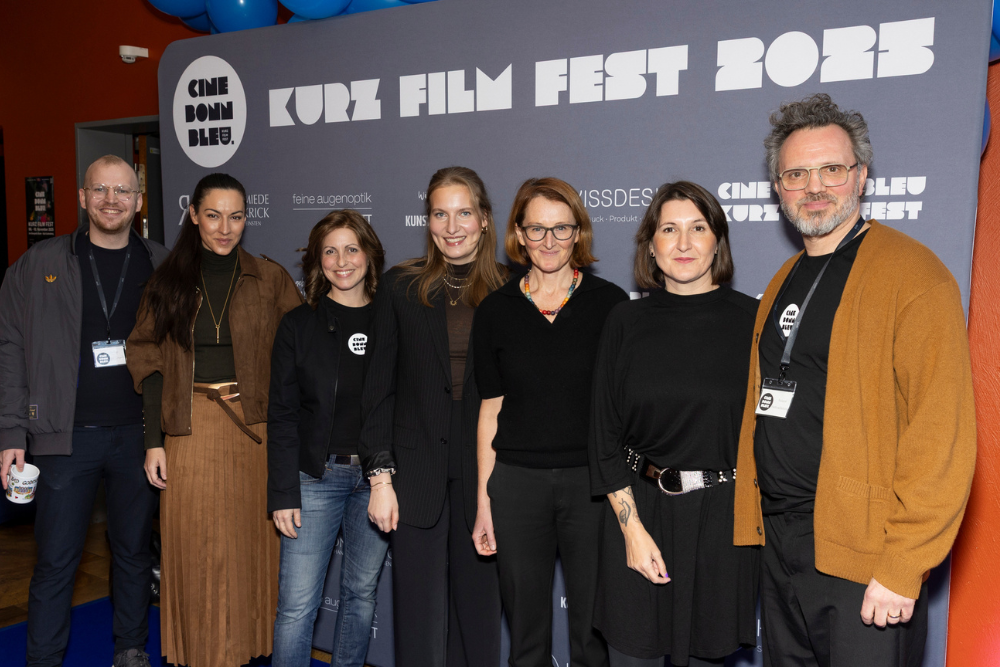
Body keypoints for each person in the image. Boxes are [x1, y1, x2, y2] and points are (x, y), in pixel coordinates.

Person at [732, 93, 977, 666]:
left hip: (863, 557)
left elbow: (941, 435)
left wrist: (902, 566)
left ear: (861, 176)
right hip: (783, 543)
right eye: (796, 173)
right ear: (778, 187)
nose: (814, 186)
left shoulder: (913, 275)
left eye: (831, 169)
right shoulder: (783, 278)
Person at [126, 173, 302, 667]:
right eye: (213, 215)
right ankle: (199, 655)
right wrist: (153, 440)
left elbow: (302, 352)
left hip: (255, 432)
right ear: (193, 215)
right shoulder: (167, 281)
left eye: (237, 216)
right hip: (189, 429)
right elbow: (148, 359)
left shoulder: (270, 279)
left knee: (252, 553)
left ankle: (250, 652)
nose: (225, 228)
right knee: (197, 553)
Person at [0, 155, 167, 667]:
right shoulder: (38, 263)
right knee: (55, 562)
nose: (110, 200)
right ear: (81, 196)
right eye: (100, 189)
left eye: (122, 191)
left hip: (139, 437)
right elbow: (10, 345)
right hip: (62, 439)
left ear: (139, 201)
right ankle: (44, 660)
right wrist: (11, 431)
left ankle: (131, 649)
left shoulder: (162, 263)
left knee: (135, 555)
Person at [588, 181, 758, 667]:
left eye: (697, 228)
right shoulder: (624, 321)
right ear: (651, 244)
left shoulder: (754, 321)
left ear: (717, 241)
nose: (684, 244)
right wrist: (632, 531)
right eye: (669, 229)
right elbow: (603, 436)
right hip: (638, 513)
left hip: (723, 525)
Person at [473, 177, 628, 667]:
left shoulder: (610, 305)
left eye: (561, 229)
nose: (548, 241)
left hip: (593, 487)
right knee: (525, 633)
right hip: (516, 486)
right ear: (517, 234)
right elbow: (490, 408)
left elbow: (622, 408)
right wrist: (484, 499)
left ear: (578, 232)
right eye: (536, 229)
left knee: (592, 631)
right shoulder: (495, 311)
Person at [361, 166, 506, 667]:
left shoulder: (512, 290)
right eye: (440, 214)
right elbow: (377, 389)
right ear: (428, 221)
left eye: (464, 212)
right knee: (419, 627)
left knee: (480, 621)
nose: (452, 226)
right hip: (414, 480)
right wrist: (380, 477)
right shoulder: (400, 286)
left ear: (484, 220)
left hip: (486, 481)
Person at [267, 210, 388, 667]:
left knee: (360, 596)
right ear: (318, 261)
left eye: (352, 249)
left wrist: (388, 479)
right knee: (298, 606)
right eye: (330, 250)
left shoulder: (390, 321)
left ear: (369, 255)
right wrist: (282, 491)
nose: (342, 260)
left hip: (377, 482)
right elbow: (280, 415)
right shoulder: (298, 325)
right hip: (313, 480)